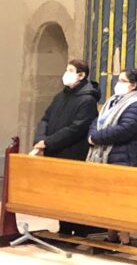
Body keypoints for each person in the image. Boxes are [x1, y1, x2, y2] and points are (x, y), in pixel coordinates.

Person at [34, 59, 100, 237]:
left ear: (81, 75)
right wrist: (40, 138)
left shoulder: (87, 100)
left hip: (72, 152)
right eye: (67, 69)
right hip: (55, 150)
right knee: (58, 194)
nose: (66, 73)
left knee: (71, 193)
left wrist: (48, 142)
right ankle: (63, 228)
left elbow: (76, 129)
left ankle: (77, 231)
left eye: (70, 70)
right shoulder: (61, 96)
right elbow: (45, 119)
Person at [88, 69, 137, 246]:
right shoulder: (112, 102)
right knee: (109, 198)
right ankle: (111, 235)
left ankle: (124, 238)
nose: (118, 83)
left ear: (133, 85)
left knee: (122, 200)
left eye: (123, 81)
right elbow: (97, 120)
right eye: (119, 80)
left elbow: (125, 129)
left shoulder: (136, 105)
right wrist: (93, 134)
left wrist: (96, 137)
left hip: (127, 157)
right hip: (110, 156)